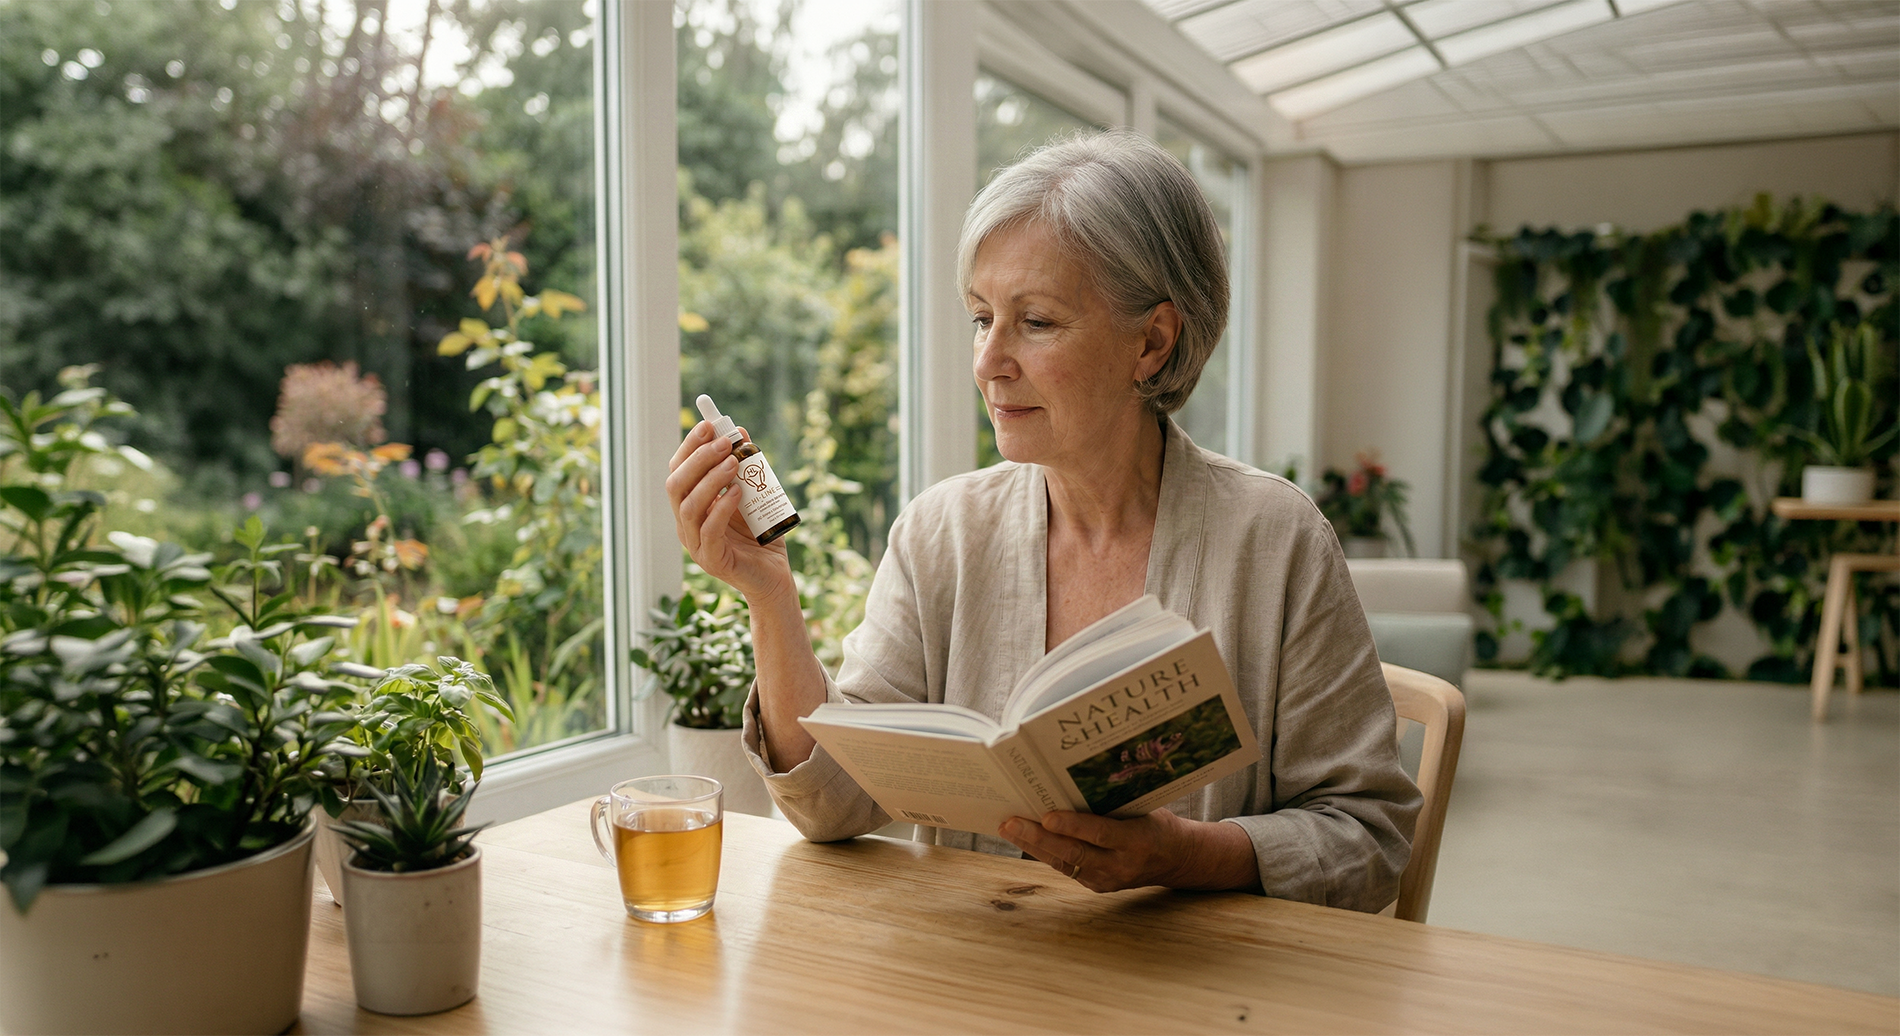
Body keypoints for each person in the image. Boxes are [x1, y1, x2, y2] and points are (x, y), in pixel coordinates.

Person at [666, 130, 1420, 910]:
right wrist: (769, 593)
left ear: (1153, 343)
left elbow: (1368, 840)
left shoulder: (1275, 540)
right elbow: (831, 803)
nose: (990, 361)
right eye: (980, 316)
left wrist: (1185, 854)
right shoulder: (941, 535)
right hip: (986, 985)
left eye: (1037, 322)